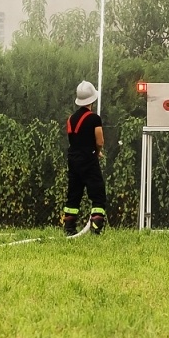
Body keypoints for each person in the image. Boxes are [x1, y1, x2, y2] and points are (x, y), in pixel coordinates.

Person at [63, 80, 107, 236]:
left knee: (74, 194)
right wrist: (98, 151)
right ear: (93, 99)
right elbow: (99, 140)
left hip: (73, 160)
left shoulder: (71, 119)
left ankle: (69, 228)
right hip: (88, 159)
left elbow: (76, 140)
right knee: (97, 192)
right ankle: (96, 229)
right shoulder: (94, 118)